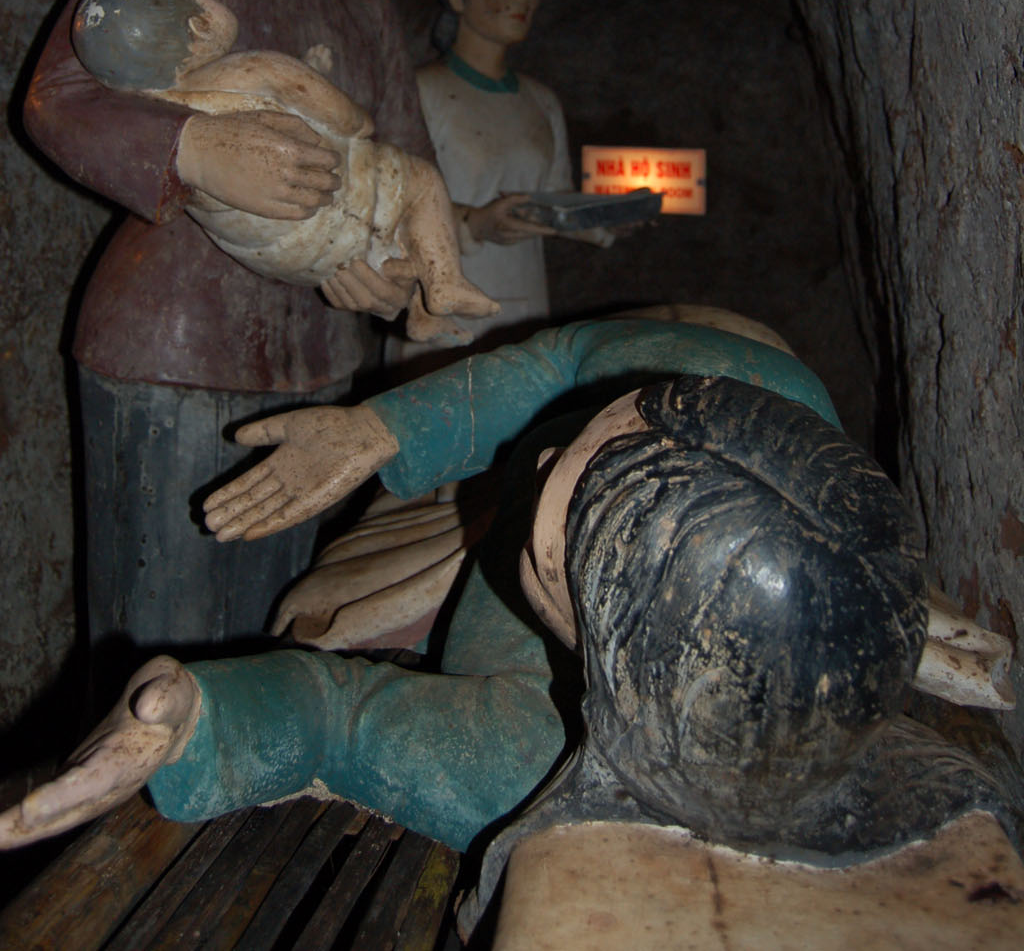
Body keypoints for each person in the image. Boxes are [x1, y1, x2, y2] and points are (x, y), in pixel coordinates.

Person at [2, 317, 1018, 935]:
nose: (533, 461)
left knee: (338, 608)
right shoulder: (728, 393)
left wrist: (195, 718)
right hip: (722, 367)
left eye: (550, 529)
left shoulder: (526, 755)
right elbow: (567, 363)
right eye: (565, 457)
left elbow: (334, 717)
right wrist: (381, 428)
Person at [23, 0, 436, 653]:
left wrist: (391, 269)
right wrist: (195, 149)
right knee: (163, 653)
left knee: (281, 643)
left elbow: (408, 169)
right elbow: (59, 98)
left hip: (320, 362)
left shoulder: (364, 0)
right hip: (175, 348)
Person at [71, 0, 499, 341]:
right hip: (337, 206)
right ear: (200, 26)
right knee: (420, 183)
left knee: (390, 255)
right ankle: (444, 282)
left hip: (295, 262)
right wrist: (349, 117)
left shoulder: (161, 105)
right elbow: (347, 119)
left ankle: (421, 310)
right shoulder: (251, 70)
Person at [413, 0, 574, 343]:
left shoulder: (542, 102)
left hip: (523, 300)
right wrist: (475, 223)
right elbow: (394, 202)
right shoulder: (422, 92)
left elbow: (557, 198)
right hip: (445, 304)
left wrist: (606, 219)